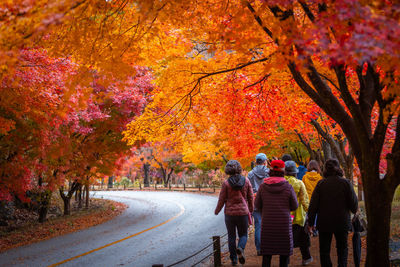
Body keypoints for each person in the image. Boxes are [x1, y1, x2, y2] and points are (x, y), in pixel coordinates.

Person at [308, 158, 358, 267]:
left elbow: (313, 205)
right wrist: (354, 212)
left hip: (324, 222)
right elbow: (354, 204)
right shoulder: (346, 183)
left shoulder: (321, 184)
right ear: (338, 168)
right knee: (342, 248)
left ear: (325, 169)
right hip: (342, 221)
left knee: (324, 250)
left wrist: (311, 222)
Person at [255, 160, 298, 267]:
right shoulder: (288, 187)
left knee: (267, 254)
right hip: (283, 225)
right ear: (283, 171)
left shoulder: (263, 187)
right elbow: (295, 205)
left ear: (270, 170)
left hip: (268, 224)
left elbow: (257, 205)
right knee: (284, 255)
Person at [215, 160, 254, 266]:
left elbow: (221, 199)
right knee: (243, 234)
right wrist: (251, 209)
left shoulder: (226, 183)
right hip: (243, 213)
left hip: (229, 214)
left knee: (231, 236)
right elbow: (250, 197)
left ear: (228, 170)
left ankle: (233, 260)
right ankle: (240, 248)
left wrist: (217, 210)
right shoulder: (246, 181)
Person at [284, 160, 313, 266]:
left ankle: (285, 261)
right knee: (303, 239)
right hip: (299, 216)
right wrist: (309, 213)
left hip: (285, 217)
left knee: (286, 240)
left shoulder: (281, 183)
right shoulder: (299, 183)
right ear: (295, 172)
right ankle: (306, 258)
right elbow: (305, 201)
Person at [247, 153, 270, 256]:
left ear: (256, 162)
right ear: (265, 162)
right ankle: (268, 246)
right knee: (269, 225)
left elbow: (248, 189)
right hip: (268, 201)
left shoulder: (250, 174)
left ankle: (259, 248)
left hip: (255, 200)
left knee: (258, 225)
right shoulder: (269, 172)